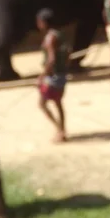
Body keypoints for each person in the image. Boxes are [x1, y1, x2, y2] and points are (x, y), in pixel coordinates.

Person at [36, 8, 70, 143]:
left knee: (42, 103)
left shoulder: (50, 38)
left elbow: (51, 59)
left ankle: (59, 130)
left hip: (53, 76)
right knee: (58, 103)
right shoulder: (60, 35)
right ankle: (62, 130)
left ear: (44, 22)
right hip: (61, 74)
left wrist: (42, 76)